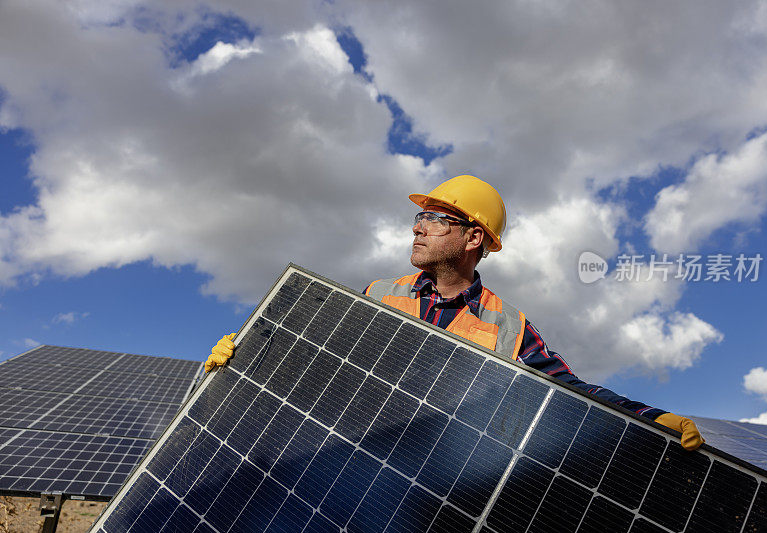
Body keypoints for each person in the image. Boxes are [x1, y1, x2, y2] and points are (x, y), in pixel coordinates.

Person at [206, 175, 704, 451]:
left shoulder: (508, 325)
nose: (418, 228)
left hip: (431, 489)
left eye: (435, 219)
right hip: (344, 464)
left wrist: (649, 416)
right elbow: (316, 365)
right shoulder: (378, 293)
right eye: (419, 216)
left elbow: (571, 392)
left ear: (473, 238)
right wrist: (247, 358)